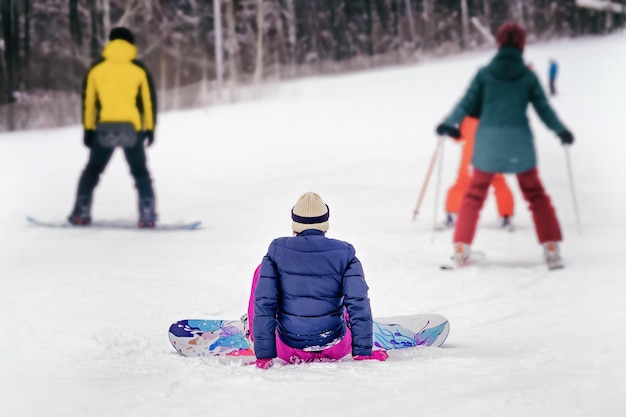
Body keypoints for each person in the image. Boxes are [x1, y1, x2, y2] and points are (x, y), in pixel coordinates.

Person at [435, 22, 574, 269]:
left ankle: (460, 249)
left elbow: (466, 103)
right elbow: (544, 109)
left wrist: (448, 123)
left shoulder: (485, 73)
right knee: (536, 195)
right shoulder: (528, 76)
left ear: (498, 43)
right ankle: (551, 248)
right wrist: (560, 130)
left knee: (474, 194)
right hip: (520, 144)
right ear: (522, 44)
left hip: (487, 143)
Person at [248, 192, 388, 369]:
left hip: (287, 348)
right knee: (344, 287)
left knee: (262, 273)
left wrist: (264, 356)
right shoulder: (345, 253)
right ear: (325, 224)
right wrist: (363, 353)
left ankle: (254, 336)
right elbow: (358, 304)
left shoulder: (276, 250)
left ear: (295, 224)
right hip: (336, 347)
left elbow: (265, 303)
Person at [68, 27, 158, 228]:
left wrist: (88, 130)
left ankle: (81, 211)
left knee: (92, 171)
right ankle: (147, 213)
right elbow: (148, 102)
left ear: (110, 43)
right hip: (131, 129)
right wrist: (150, 129)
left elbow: (89, 103)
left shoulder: (96, 69)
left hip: (104, 129)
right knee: (140, 173)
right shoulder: (139, 70)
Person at [443, 113, 515, 230]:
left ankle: (452, 214)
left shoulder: (469, 116)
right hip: (494, 155)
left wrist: (450, 131)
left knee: (463, 182)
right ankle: (505, 216)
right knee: (499, 182)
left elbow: (460, 137)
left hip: (472, 157)